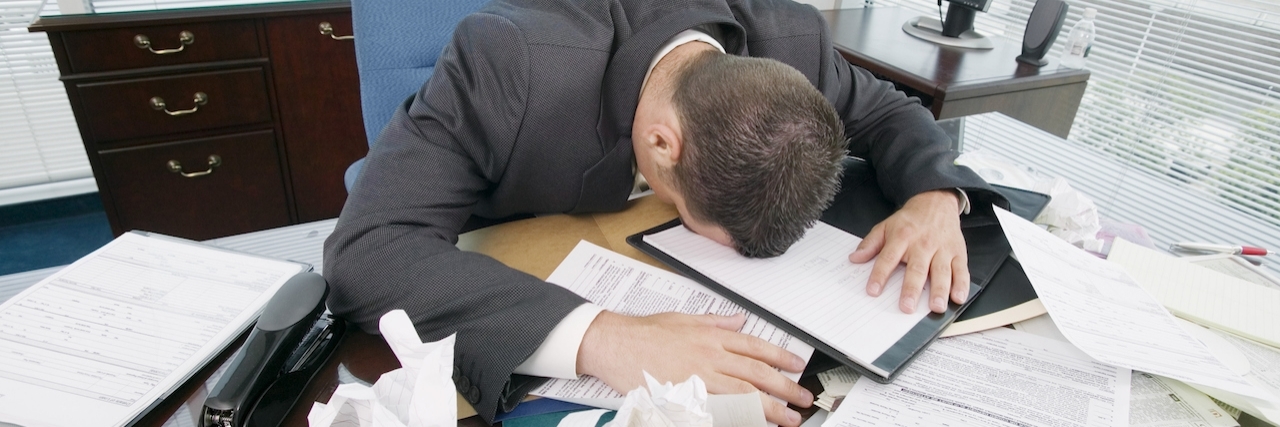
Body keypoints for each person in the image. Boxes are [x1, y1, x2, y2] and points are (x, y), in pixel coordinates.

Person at [324, 0, 1002, 425]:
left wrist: (935, 196)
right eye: (697, 217)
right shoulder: (508, 64)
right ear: (660, 144)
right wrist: (611, 339)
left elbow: (887, 110)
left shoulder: (790, 39)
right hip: (497, 257)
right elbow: (369, 247)